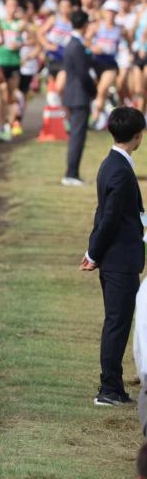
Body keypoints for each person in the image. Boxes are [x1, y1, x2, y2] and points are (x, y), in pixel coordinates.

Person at [80, 106, 146, 406]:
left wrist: (92, 251)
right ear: (138, 136)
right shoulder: (119, 170)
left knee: (116, 322)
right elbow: (108, 218)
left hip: (116, 257)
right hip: (120, 260)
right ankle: (108, 388)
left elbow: (104, 214)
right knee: (117, 323)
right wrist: (93, 252)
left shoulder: (111, 164)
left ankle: (114, 387)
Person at [63, 10, 97, 186]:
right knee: (77, 136)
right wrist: (94, 90)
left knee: (77, 135)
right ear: (84, 24)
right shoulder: (76, 45)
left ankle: (72, 173)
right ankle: (71, 174)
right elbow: (83, 73)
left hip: (74, 94)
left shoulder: (73, 42)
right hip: (79, 95)